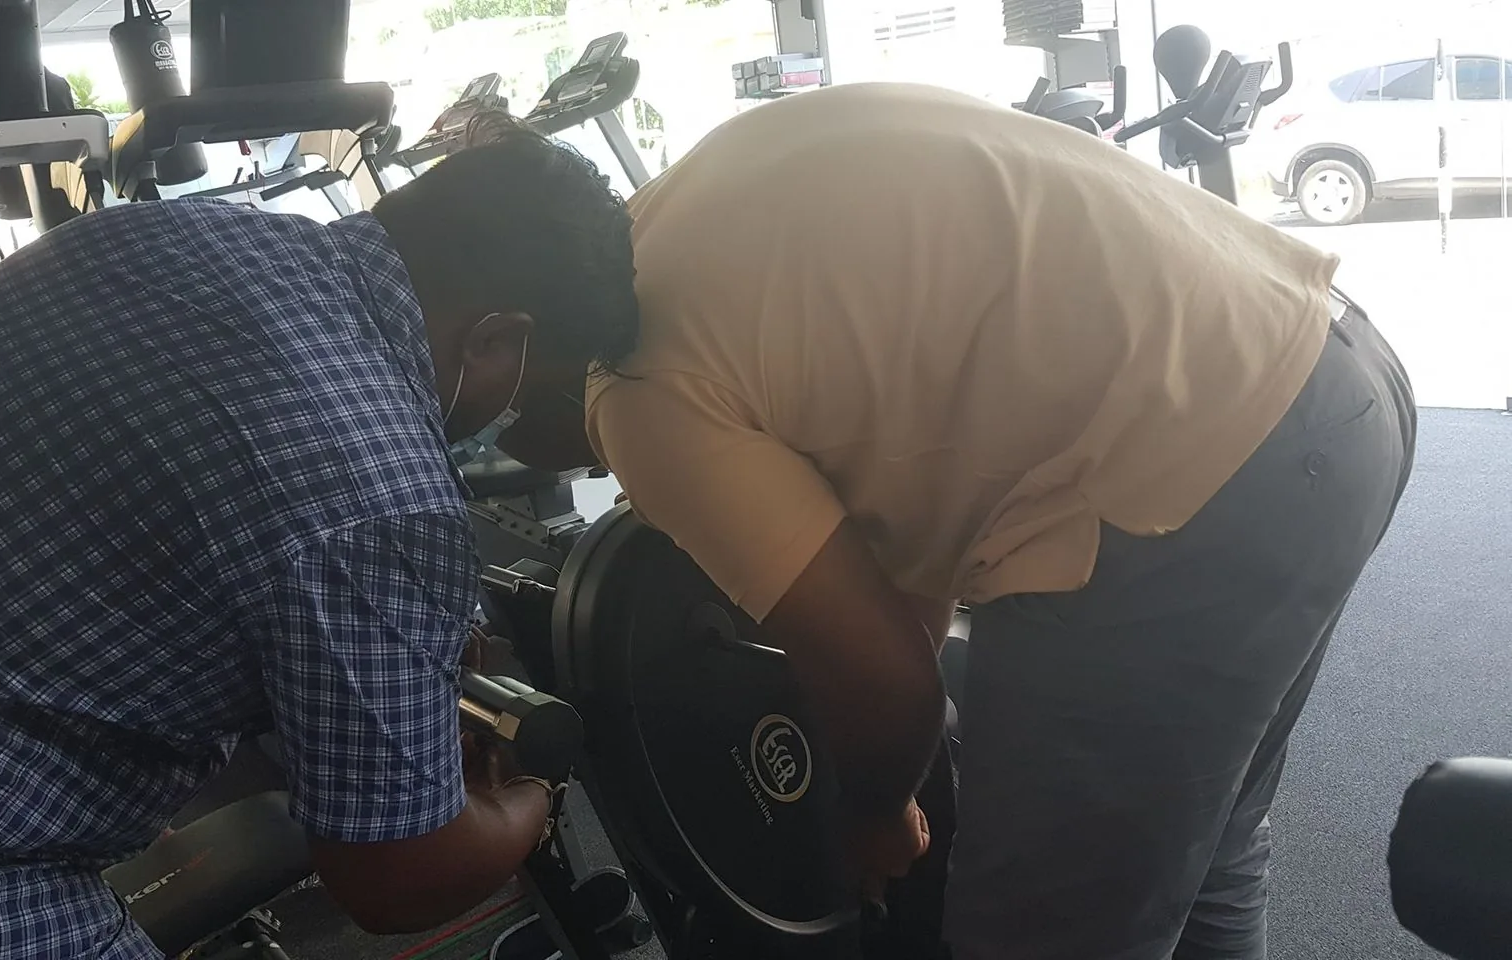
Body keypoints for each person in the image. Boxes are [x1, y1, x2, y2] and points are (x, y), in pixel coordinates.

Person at [500, 83, 1417, 960]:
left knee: (1036, 936)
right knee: (1203, 852)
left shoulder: (633, 390)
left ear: (513, 353)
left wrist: (872, 815)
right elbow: (910, 526)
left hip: (1189, 483)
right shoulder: (679, 204)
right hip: (1326, 374)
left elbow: (889, 691)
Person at [0, 115, 637, 959]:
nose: (519, 421)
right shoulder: (380, 492)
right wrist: (533, 796)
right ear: (495, 338)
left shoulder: (165, 235)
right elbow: (403, 877)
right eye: (535, 396)